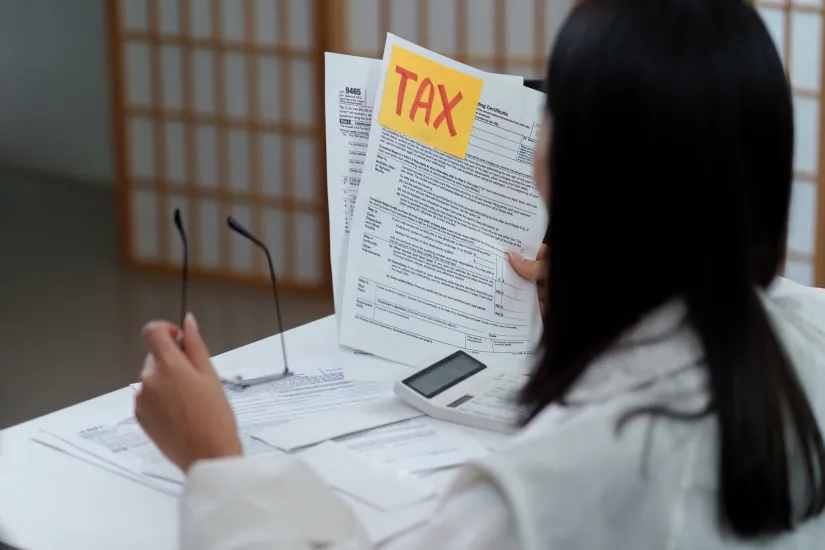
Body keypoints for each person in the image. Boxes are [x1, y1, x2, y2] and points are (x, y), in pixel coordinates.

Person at [134, 0, 825, 547]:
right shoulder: (803, 343)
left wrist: (215, 462)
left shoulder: (548, 490)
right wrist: (605, 297)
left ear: (584, 170)